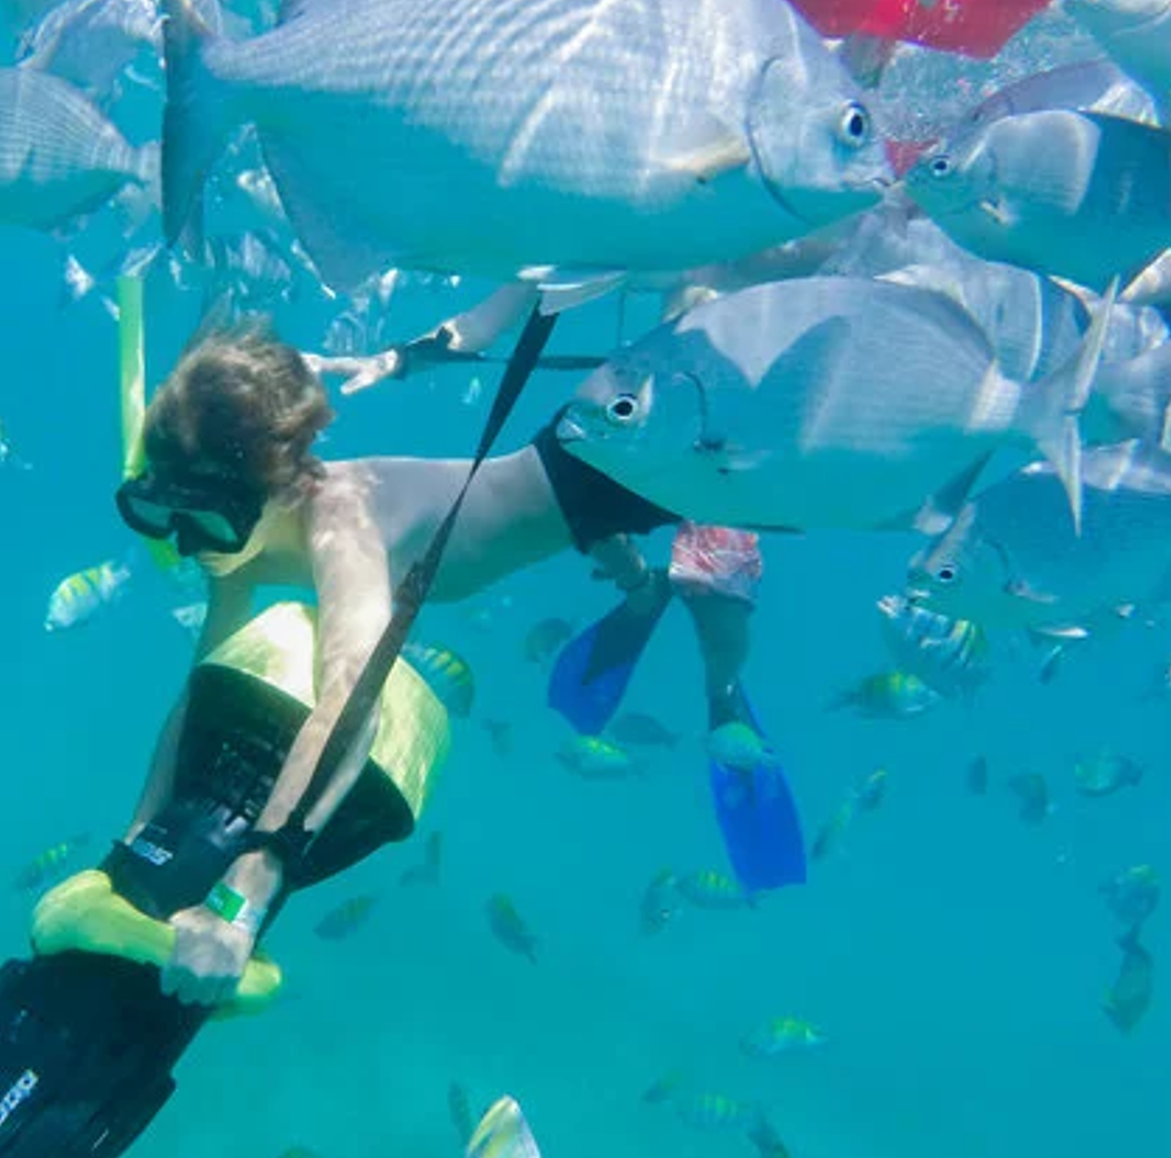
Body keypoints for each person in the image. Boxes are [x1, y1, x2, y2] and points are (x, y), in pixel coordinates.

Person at [114, 315, 772, 1005]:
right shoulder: (230, 536)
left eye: (205, 521)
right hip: (565, 497)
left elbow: (350, 700)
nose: (186, 545)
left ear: (278, 487)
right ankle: (641, 585)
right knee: (588, 518)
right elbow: (201, 692)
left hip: (614, 460)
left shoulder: (341, 517)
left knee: (733, 543)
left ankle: (721, 679)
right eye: (158, 515)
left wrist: (241, 898)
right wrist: (131, 843)